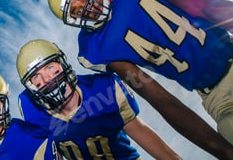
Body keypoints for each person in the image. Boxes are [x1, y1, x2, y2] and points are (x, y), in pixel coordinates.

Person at [47, 0, 233, 158]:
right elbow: (160, 98)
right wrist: (227, 153)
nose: (86, 5)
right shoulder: (98, 49)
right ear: (75, 22)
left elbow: (210, 6)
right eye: (75, 10)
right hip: (222, 99)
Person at [17, 39, 181, 160]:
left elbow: (139, 130)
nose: (47, 79)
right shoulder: (31, 110)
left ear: (62, 64)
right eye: (36, 76)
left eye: (50, 67)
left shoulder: (103, 89)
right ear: (31, 87)